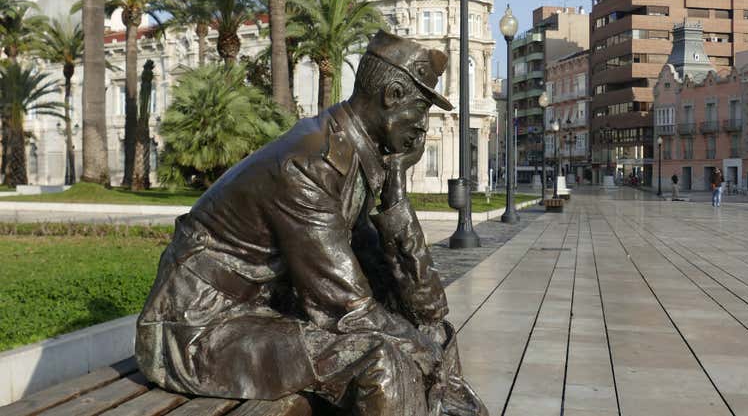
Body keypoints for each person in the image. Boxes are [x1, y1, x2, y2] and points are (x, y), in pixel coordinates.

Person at [135, 31, 487, 416]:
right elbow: (348, 309)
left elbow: (424, 307)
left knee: (425, 332)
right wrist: (431, 358)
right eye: (421, 109)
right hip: (199, 329)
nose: (423, 126)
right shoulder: (311, 165)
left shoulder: (351, 157)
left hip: (258, 312)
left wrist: (396, 192)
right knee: (379, 362)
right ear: (393, 97)